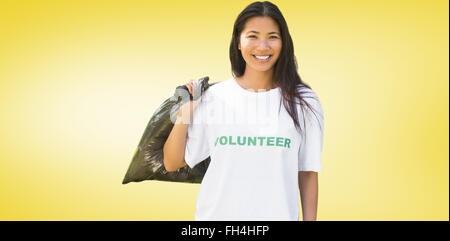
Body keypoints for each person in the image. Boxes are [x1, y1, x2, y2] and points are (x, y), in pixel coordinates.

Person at [163, 1, 324, 221]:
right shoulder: (214, 97)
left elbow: (307, 173)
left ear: (284, 43)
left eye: (273, 37)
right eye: (253, 36)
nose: (262, 46)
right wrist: (186, 111)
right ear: (238, 42)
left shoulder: (303, 101)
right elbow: (173, 162)